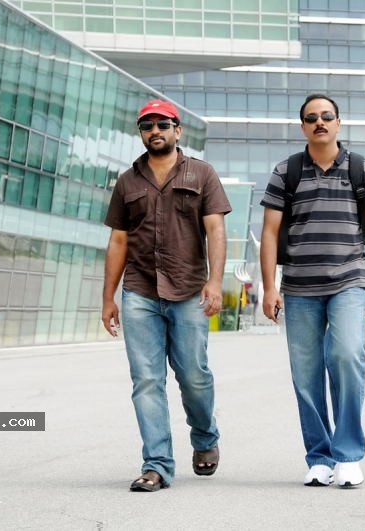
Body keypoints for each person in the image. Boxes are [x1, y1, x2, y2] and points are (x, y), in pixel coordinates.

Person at [259, 94, 365, 489]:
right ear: (302, 126)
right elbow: (269, 232)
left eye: (327, 116)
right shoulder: (286, 171)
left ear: (338, 123)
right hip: (299, 286)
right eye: (312, 118)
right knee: (306, 374)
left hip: (349, 281)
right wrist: (269, 287)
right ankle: (319, 457)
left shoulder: (361, 169)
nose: (320, 122)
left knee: (346, 356)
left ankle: (347, 455)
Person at [101, 99, 231, 492]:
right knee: (146, 380)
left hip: (189, 288)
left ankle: (205, 436)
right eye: (147, 126)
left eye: (162, 124)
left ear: (177, 130)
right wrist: (108, 298)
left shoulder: (202, 174)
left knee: (194, 375)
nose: (154, 131)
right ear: (141, 133)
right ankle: (156, 464)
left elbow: (216, 230)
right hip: (139, 291)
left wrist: (214, 282)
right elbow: (118, 241)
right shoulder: (127, 181)